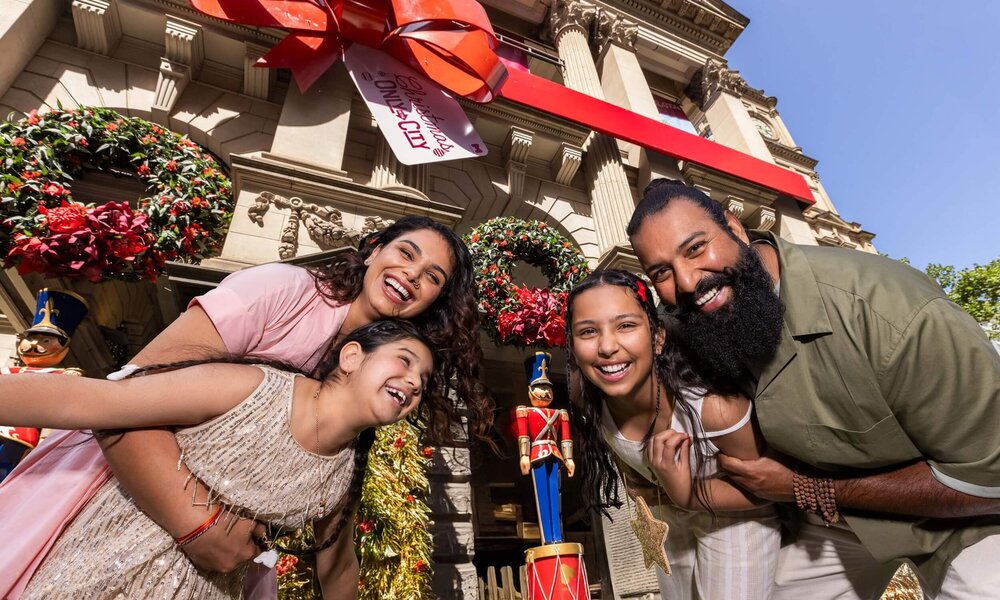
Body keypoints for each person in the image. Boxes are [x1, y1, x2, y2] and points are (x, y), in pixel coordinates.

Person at [0, 216, 492, 599]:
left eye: (433, 277)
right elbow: (125, 401)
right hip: (109, 505)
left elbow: (337, 558)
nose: (412, 274)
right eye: (405, 253)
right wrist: (200, 525)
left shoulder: (356, 419)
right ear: (371, 252)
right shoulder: (284, 291)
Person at [627, 179, 1000, 599]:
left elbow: (989, 481)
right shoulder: (694, 318)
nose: (689, 281)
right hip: (838, 524)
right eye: (661, 272)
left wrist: (807, 487)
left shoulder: (892, 312)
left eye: (695, 248)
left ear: (735, 228)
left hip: (971, 521)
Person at [0, 319, 436, 598]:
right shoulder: (253, 387)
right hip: (106, 567)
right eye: (405, 360)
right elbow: (96, 402)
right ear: (352, 356)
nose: (414, 381)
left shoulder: (344, 475)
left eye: (424, 379)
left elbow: (339, 568)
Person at [566, 269, 780, 599]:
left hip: (736, 523)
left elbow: (774, 491)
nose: (607, 346)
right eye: (588, 331)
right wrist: (642, 482)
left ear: (658, 337)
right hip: (672, 531)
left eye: (625, 325)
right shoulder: (586, 396)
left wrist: (687, 493)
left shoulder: (714, 409)